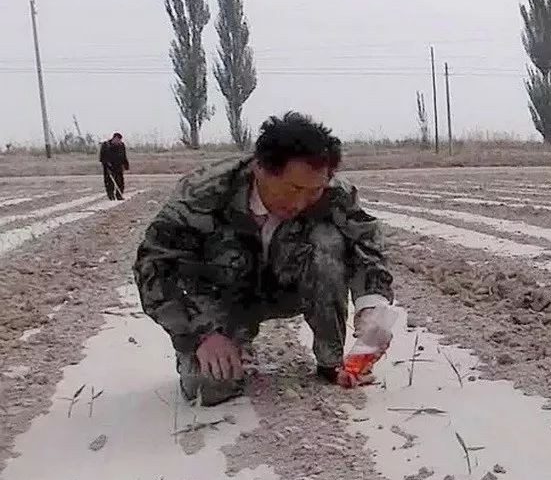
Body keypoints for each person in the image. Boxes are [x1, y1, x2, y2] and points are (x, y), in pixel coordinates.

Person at [134, 112, 395, 406]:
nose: (300, 204)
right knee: (209, 388)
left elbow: (367, 242)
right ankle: (230, 341)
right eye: (294, 189)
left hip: (290, 287)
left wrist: (373, 304)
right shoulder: (203, 193)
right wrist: (202, 334)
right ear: (260, 168)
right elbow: (154, 266)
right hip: (223, 296)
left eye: (314, 191)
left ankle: (330, 360)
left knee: (329, 240)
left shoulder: (333, 194)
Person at [99, 132, 129, 200]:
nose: (119, 141)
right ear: (114, 138)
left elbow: (124, 156)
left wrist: (126, 165)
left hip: (118, 166)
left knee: (120, 181)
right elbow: (102, 157)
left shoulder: (121, 145)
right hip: (108, 166)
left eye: (120, 140)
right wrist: (106, 164)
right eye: (118, 139)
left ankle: (119, 195)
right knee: (109, 182)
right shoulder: (106, 145)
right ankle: (111, 195)